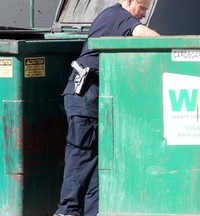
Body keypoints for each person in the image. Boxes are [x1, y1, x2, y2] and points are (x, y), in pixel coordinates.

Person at [54, 0, 159, 215]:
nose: (143, 16)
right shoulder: (117, 16)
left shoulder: (116, 18)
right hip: (85, 99)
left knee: (96, 164)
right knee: (81, 157)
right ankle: (67, 211)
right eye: (142, 9)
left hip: (92, 100)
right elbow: (145, 35)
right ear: (129, 1)